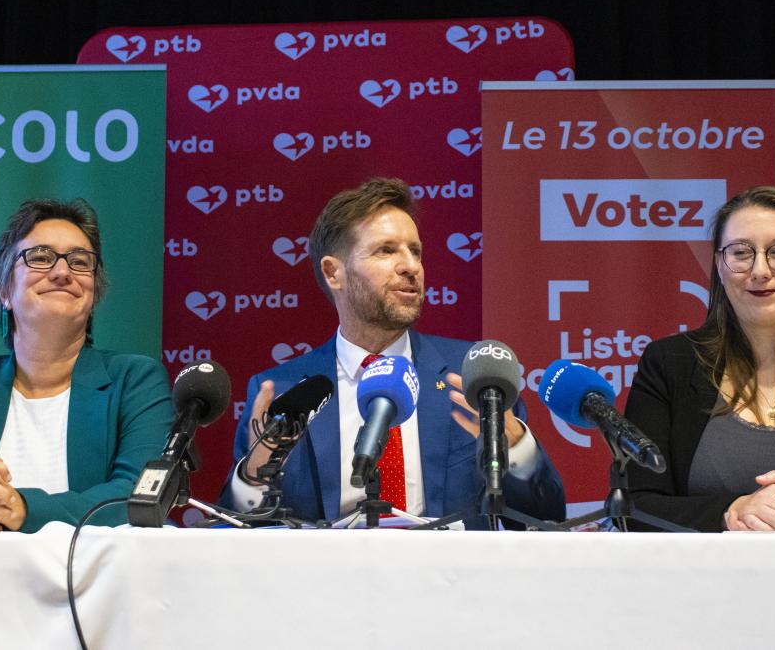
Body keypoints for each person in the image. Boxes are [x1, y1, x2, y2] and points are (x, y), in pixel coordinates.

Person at [222, 178, 565, 526]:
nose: (410, 266)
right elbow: (234, 535)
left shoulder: (474, 378)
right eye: (386, 250)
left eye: (415, 251)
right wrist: (253, 477)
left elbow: (546, 518)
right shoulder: (283, 392)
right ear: (333, 272)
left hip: (452, 577)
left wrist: (518, 450)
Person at [625, 185, 775, 532]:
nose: (760, 270)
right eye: (741, 253)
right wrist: (732, 511)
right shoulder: (669, 363)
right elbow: (634, 506)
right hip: (702, 584)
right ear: (719, 266)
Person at [0, 198, 173, 533]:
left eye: (79, 261)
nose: (62, 272)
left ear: (93, 293)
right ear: (4, 290)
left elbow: (139, 495)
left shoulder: (135, 380)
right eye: (41, 257)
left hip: (94, 583)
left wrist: (21, 508)